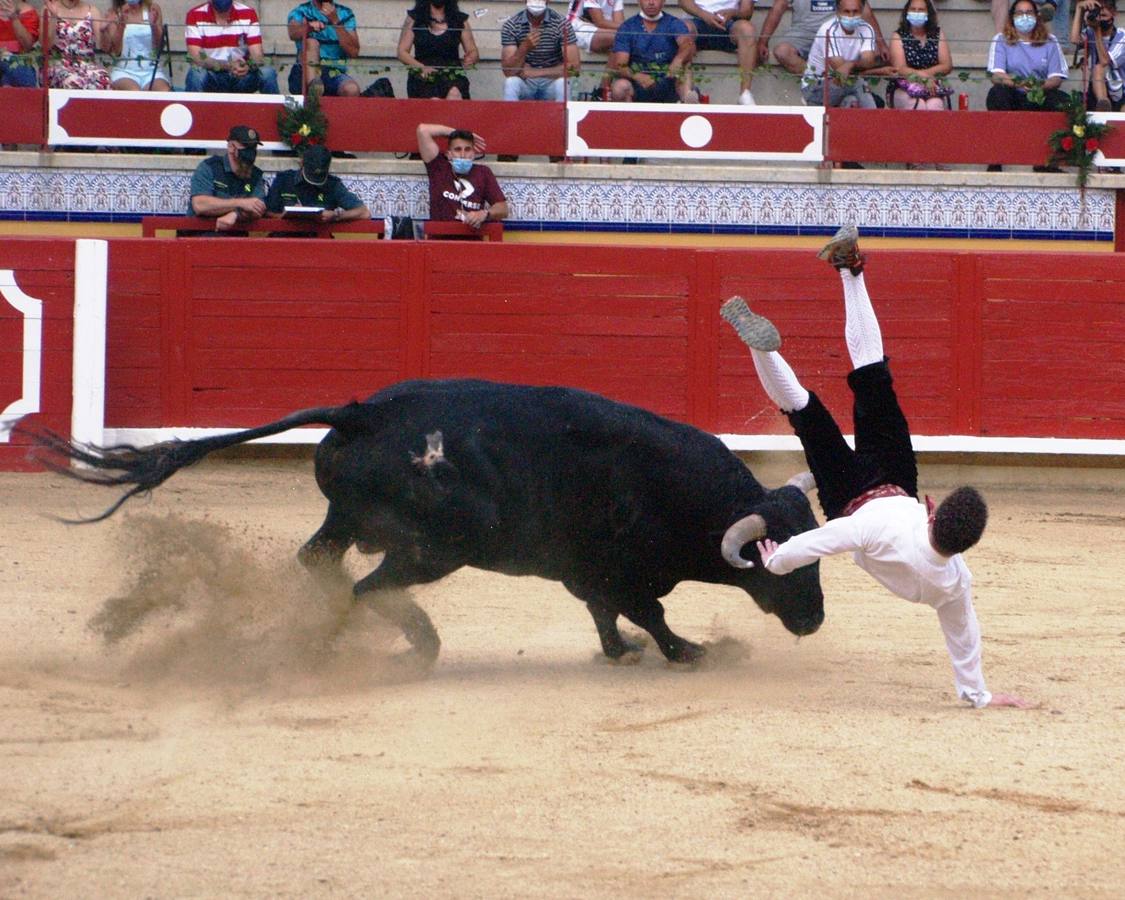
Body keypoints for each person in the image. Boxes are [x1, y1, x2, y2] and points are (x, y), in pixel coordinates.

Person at [718, 225, 1033, 711]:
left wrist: (784, 557)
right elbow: (818, 544)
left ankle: (849, 269)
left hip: (896, 479)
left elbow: (820, 542)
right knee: (805, 412)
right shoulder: (952, 585)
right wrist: (775, 560)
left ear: (933, 511)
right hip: (848, 498)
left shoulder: (932, 558)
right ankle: (762, 349)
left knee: (871, 372)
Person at [757, 0, 887, 77]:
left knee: (872, 54)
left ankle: (840, 78)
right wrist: (763, 41)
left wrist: (881, 44)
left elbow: (864, 10)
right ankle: (822, 79)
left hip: (836, 32)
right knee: (782, 51)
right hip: (803, 33)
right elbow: (778, 8)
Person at [416, 122, 508, 231]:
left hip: (472, 241)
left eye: (468, 149)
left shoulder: (483, 173)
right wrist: (455, 133)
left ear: (473, 153)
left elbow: (503, 209)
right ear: (449, 154)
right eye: (458, 149)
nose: (463, 155)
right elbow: (423, 130)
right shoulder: (438, 168)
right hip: (440, 241)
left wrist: (484, 214)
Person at [986, 0, 1069, 113]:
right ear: (1012, 17)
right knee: (997, 94)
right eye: (1019, 13)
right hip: (1013, 93)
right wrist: (1019, 84)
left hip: (1040, 94)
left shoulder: (1050, 41)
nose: (1024, 17)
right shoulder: (1001, 39)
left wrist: (1038, 86)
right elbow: (996, 75)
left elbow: (1056, 78)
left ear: (1036, 16)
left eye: (1029, 12)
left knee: (1063, 100)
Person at [609, 0, 698, 103]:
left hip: (669, 80)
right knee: (619, 88)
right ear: (639, 1)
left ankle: (687, 97)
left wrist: (678, 60)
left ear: (663, 1)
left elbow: (687, 44)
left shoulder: (674, 23)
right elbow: (621, 65)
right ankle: (629, 118)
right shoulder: (627, 27)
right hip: (637, 85)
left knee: (685, 65)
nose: (651, 2)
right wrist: (638, 76)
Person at [800, 0, 882, 108]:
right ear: (838, 12)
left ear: (862, 11)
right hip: (816, 87)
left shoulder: (866, 29)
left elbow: (868, 61)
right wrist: (878, 70)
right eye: (846, 11)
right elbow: (840, 71)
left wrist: (850, 64)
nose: (851, 16)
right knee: (858, 84)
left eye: (855, 11)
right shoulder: (828, 30)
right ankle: (874, 121)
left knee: (852, 101)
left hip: (843, 85)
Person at [184, 0, 279, 94]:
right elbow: (196, 57)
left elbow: (257, 55)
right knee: (195, 74)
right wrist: (228, 65)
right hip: (212, 75)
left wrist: (248, 66)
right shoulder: (194, 15)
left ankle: (276, 109)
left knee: (267, 73)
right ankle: (195, 109)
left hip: (242, 76)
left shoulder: (248, 13)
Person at [189, 124, 267, 232]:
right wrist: (241, 203)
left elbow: (258, 209)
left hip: (236, 237)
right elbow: (200, 205)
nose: (250, 152)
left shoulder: (256, 175)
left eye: (253, 148)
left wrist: (235, 214)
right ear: (231, 147)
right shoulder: (210, 167)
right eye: (245, 147)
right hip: (200, 235)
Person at [265, 145, 370, 225]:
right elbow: (267, 212)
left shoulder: (332, 184)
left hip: (320, 239)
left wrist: (336, 216)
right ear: (302, 163)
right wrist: (283, 217)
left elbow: (364, 212)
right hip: (285, 239)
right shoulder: (284, 179)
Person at [678, 0, 758, 105]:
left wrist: (733, 12)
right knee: (682, 29)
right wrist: (705, 15)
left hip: (729, 23)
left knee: (747, 29)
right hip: (696, 20)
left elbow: (747, 11)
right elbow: (684, 2)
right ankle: (687, 93)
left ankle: (745, 94)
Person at [500, 0, 580, 102]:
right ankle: (511, 118)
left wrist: (536, 72)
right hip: (526, 83)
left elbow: (575, 68)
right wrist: (524, 48)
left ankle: (561, 118)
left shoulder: (561, 24)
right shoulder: (511, 25)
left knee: (563, 84)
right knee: (511, 83)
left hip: (552, 81)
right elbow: (508, 71)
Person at [397, 0, 478, 100]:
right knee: (433, 101)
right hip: (423, 73)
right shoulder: (415, 18)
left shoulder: (459, 20)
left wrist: (471, 58)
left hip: (452, 73)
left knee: (455, 93)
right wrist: (421, 67)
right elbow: (402, 52)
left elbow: (472, 50)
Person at [888, 0, 952, 115]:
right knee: (918, 105)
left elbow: (946, 65)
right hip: (904, 88)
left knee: (934, 105)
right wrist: (923, 77)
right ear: (907, 12)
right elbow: (899, 68)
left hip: (932, 86)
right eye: (913, 9)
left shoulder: (937, 34)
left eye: (921, 10)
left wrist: (926, 78)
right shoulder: (898, 36)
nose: (916, 12)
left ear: (928, 13)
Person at [287, 0, 360, 97]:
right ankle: (314, 87)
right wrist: (308, 27)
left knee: (352, 89)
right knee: (311, 42)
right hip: (304, 73)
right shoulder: (301, 11)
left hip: (334, 72)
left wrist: (336, 22)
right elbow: (293, 33)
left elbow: (354, 52)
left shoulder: (345, 14)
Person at [102, 0, 170, 91]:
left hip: (151, 71)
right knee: (134, 92)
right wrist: (121, 25)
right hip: (124, 71)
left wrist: (154, 26)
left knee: (164, 91)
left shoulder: (152, 9)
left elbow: (158, 48)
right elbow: (117, 52)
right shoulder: (114, 13)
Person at [44, 0, 111, 90]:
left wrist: (104, 31)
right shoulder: (49, 8)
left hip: (86, 65)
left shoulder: (92, 11)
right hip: (59, 64)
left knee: (103, 79)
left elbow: (105, 47)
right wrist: (54, 17)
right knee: (73, 82)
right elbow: (45, 45)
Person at [1071, 0, 1125, 110]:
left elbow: (1105, 61)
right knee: (1097, 69)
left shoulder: (1122, 36)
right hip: (1097, 87)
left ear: (1114, 13)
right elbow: (1075, 39)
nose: (1101, 18)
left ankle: (1104, 105)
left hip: (1120, 88)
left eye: (1104, 15)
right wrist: (1079, 9)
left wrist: (1097, 30)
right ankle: (1103, 104)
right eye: (1099, 15)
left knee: (1099, 67)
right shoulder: (1090, 31)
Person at [0, 0, 40, 87]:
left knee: (20, 71)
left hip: (18, 59)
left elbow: (27, 45)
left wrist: (14, 18)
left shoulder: (28, 12)